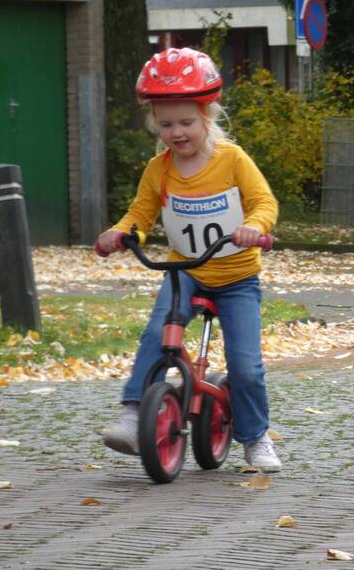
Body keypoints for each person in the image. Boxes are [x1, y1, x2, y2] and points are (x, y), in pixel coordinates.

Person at [96, 47, 282, 471]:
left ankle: (255, 438)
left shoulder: (232, 160)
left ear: (207, 117)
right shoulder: (158, 169)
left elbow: (263, 201)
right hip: (185, 274)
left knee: (246, 366)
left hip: (236, 278)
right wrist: (121, 234)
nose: (176, 132)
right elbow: (140, 214)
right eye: (165, 125)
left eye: (185, 123)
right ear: (154, 124)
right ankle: (134, 413)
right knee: (157, 334)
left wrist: (254, 225)